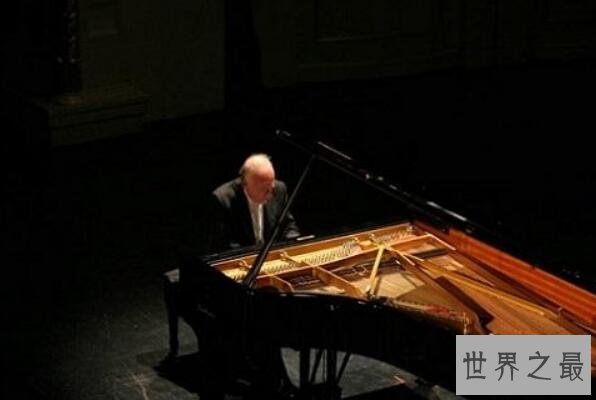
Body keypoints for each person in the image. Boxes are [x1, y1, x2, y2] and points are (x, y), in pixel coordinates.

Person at [205, 153, 300, 253]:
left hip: (273, 254)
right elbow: (225, 244)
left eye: (271, 184)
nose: (270, 194)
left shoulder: (280, 189)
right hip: (243, 257)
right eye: (264, 189)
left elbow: (288, 226)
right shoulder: (223, 199)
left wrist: (295, 247)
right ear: (245, 185)